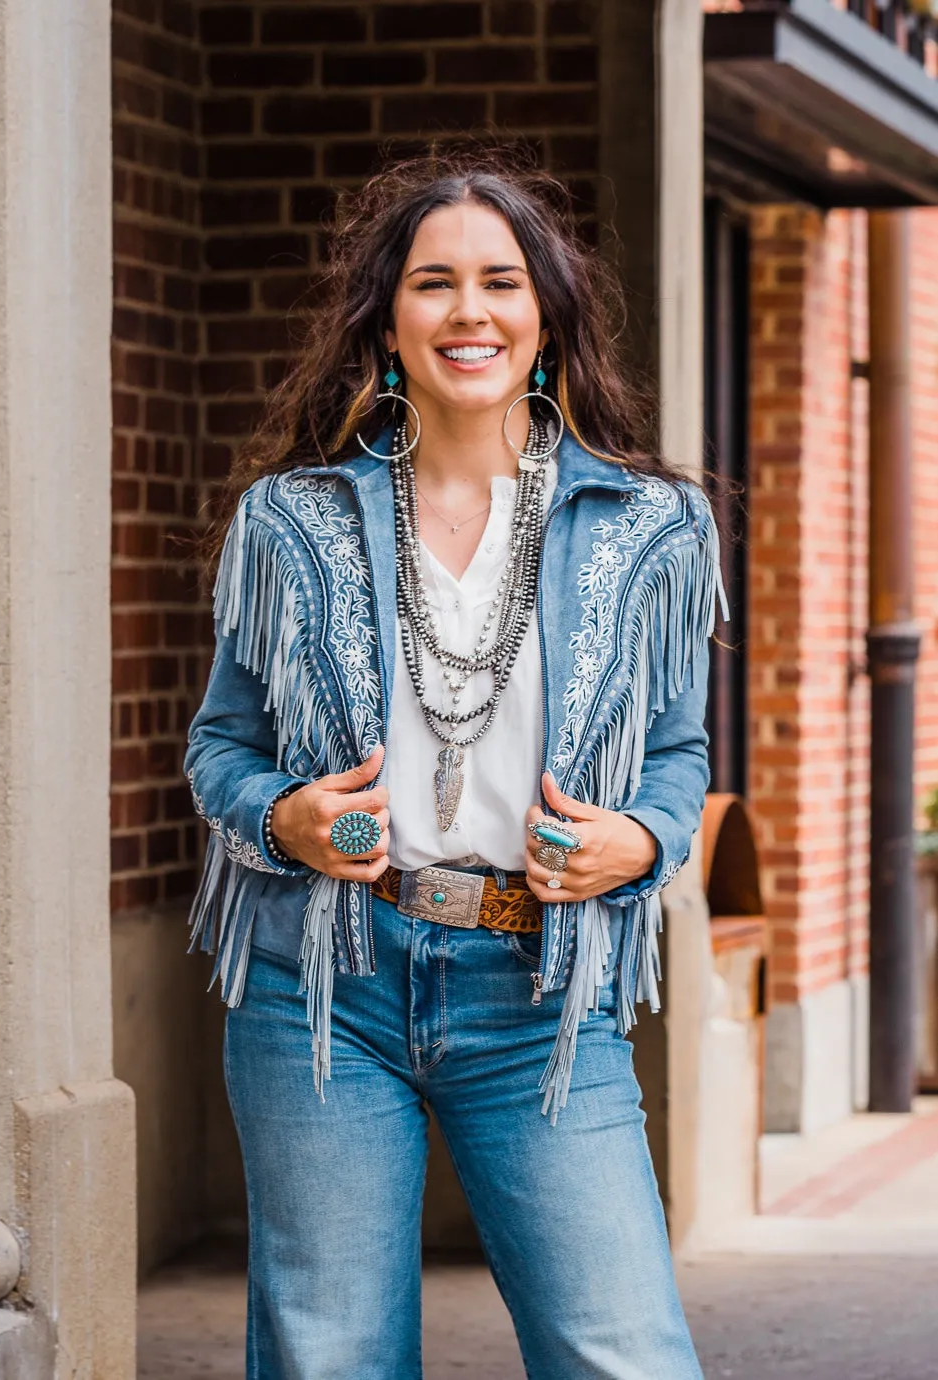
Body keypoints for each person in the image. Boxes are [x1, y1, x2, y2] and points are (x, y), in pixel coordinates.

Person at [185, 150, 724, 1380]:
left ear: (546, 320)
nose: (468, 312)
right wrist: (287, 820)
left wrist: (635, 841)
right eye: (434, 284)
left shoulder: (650, 529)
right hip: (324, 983)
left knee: (621, 1350)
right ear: (387, 320)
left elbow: (678, 756)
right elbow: (222, 747)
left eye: (501, 282)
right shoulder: (289, 519)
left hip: (538, 988)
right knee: (331, 1357)